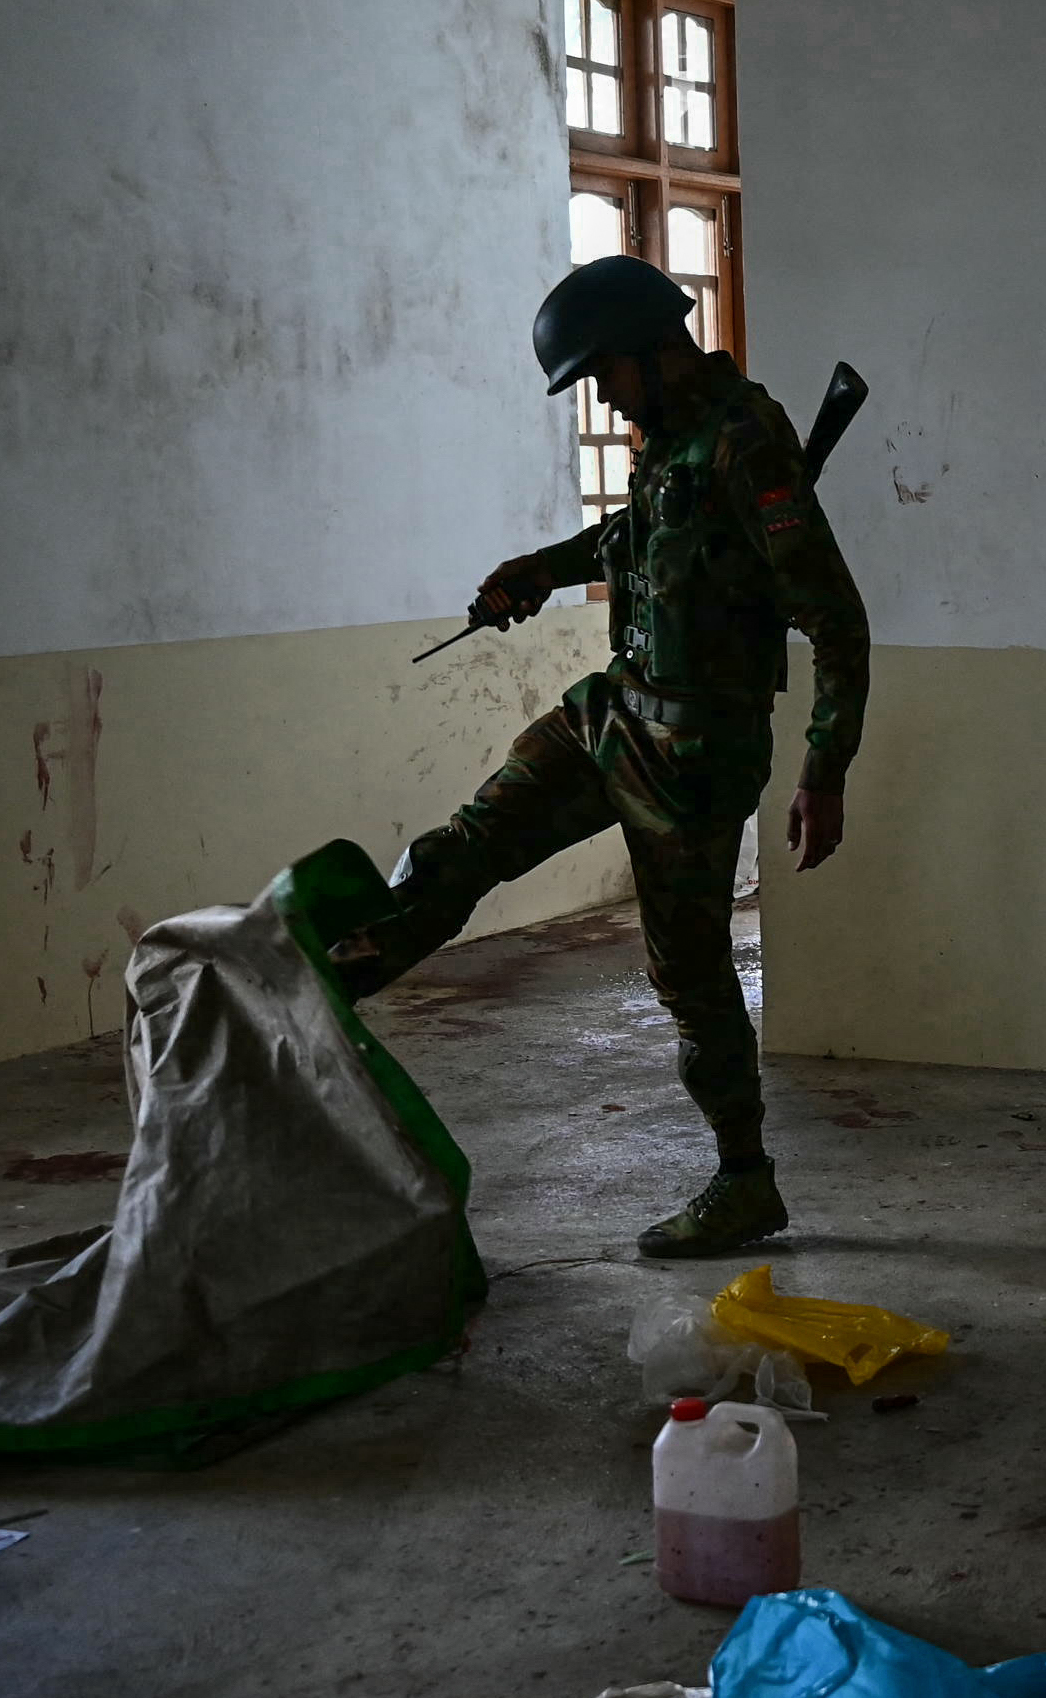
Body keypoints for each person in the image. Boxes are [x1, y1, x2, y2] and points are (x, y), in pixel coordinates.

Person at [330, 256, 869, 1260]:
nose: (604, 400)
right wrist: (544, 568)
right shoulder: (677, 440)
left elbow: (836, 621)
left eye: (602, 376)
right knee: (471, 840)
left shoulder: (746, 445)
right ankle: (335, 980)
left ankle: (744, 1180)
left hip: (697, 756)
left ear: (648, 351)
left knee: (692, 977)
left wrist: (823, 768)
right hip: (616, 715)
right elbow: (642, 536)